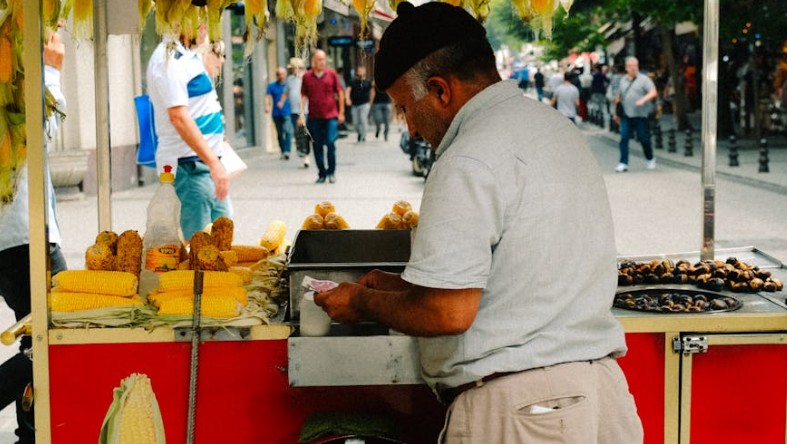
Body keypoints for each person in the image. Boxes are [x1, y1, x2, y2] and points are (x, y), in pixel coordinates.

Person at [314, 3, 643, 443]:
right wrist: (402, 288)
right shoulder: (553, 127)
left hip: (524, 413)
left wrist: (361, 303)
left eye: (405, 108)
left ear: (440, 90)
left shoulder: (467, 159)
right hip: (599, 398)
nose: (410, 127)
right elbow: (519, 278)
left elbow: (448, 311)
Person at [0, 28, 68, 444]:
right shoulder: (15, 72)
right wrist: (53, 74)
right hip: (22, 235)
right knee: (55, 338)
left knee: (38, 339)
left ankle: (32, 431)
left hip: (20, 233)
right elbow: (40, 136)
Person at [146, 26, 231, 240]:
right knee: (200, 246)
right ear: (179, 22)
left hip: (206, 165)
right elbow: (179, 117)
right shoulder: (167, 59)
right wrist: (213, 162)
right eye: (198, 20)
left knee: (223, 239)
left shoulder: (188, 55)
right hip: (190, 166)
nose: (205, 26)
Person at [299, 49, 345, 184]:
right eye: (319, 59)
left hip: (331, 115)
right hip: (314, 117)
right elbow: (303, 96)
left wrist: (341, 112)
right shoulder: (307, 76)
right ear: (313, 61)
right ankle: (322, 173)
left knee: (330, 143)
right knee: (317, 145)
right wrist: (301, 115)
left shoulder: (331, 74)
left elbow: (340, 93)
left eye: (323, 59)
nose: (322, 62)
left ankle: (331, 172)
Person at [613, 56, 658, 173]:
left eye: (636, 66)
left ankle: (650, 158)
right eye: (631, 66)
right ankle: (623, 163)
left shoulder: (644, 79)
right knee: (624, 138)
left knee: (644, 139)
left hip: (640, 115)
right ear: (627, 68)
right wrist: (616, 113)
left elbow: (653, 92)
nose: (634, 68)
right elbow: (618, 97)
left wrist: (643, 100)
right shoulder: (622, 80)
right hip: (626, 115)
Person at [284, 57, 310, 168]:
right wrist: (281, 102)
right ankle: (302, 154)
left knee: (304, 133)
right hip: (293, 110)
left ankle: (306, 155)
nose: (291, 70)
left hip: (305, 110)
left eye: (293, 68)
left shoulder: (306, 77)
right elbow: (286, 92)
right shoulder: (289, 79)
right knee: (297, 134)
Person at [265, 67, 293, 160]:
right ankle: (282, 150)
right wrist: (267, 106)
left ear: (285, 75)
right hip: (276, 113)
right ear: (276, 75)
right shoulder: (272, 86)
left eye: (283, 74)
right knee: (280, 133)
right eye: (279, 74)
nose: (281, 76)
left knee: (288, 131)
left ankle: (287, 151)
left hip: (287, 112)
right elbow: (267, 96)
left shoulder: (289, 85)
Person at [345, 66, 373, 143]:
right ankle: (359, 133)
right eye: (359, 71)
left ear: (365, 72)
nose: (360, 72)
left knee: (363, 119)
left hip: (365, 104)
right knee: (355, 122)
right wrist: (347, 99)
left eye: (362, 71)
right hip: (355, 105)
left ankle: (363, 136)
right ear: (357, 72)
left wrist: (371, 102)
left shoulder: (367, 82)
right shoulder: (352, 82)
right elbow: (348, 90)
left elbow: (372, 92)